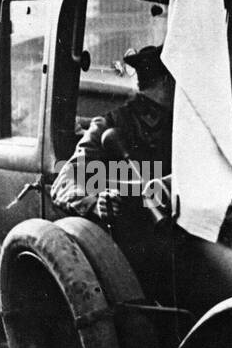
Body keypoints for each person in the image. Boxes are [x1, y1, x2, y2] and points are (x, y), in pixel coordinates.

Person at [51, 43, 173, 226]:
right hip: (128, 237)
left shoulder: (182, 127)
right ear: (167, 81)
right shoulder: (110, 125)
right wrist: (96, 204)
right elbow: (65, 181)